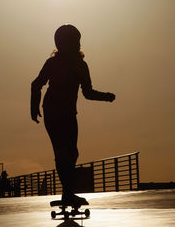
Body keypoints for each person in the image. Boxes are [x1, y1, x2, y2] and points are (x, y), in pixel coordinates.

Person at [30, 25, 115, 204]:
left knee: (72, 153)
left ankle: (67, 192)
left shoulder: (80, 65)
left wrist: (106, 97)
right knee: (62, 152)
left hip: (68, 113)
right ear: (61, 43)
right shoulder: (53, 63)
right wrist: (33, 106)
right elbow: (36, 84)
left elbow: (88, 92)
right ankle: (67, 193)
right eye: (72, 41)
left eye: (77, 41)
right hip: (53, 111)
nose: (76, 44)